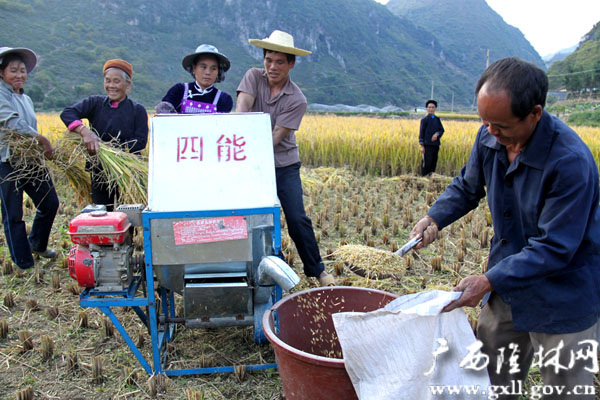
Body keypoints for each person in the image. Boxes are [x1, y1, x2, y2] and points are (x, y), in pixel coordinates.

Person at [410, 57, 600, 399]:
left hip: (564, 293)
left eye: (501, 125)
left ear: (535, 114)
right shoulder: (488, 136)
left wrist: (486, 280)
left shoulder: (570, 162)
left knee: (566, 390)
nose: (491, 131)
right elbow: (467, 188)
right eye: (484, 121)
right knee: (490, 381)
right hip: (508, 288)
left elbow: (555, 247)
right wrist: (434, 218)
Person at [236, 30, 335, 286]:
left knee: (296, 217)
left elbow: (274, 139)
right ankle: (243, 268)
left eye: (280, 61)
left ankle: (318, 271)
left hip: (282, 164)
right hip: (247, 161)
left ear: (291, 64)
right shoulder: (252, 77)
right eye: (269, 60)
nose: (272, 66)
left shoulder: (297, 99)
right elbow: (241, 111)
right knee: (245, 216)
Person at [60, 59, 148, 210]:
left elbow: (140, 142)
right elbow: (67, 113)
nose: (111, 86)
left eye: (116, 81)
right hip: (99, 171)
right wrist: (84, 131)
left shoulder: (137, 110)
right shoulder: (95, 103)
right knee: (103, 215)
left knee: (127, 217)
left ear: (127, 84)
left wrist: (109, 149)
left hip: (127, 173)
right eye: (107, 81)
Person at [0, 47, 59, 269]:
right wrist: (43, 140)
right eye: (13, 70)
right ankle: (22, 261)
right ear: (1, 73)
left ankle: (37, 243)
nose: (19, 75)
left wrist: (39, 147)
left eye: (22, 71)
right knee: (13, 214)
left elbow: (28, 125)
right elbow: (15, 125)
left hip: (31, 162)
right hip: (8, 162)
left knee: (50, 203)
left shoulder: (25, 98)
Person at [156, 44, 233, 114]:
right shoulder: (179, 90)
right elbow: (164, 114)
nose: (208, 72)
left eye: (213, 68)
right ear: (194, 68)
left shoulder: (224, 99)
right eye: (203, 67)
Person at [419, 99, 444, 176]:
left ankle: (432, 177)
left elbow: (441, 130)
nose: (431, 109)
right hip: (427, 145)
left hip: (435, 145)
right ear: (427, 108)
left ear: (435, 108)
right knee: (427, 163)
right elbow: (421, 133)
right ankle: (424, 178)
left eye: (433, 107)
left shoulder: (437, 119)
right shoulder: (424, 120)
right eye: (429, 107)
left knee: (433, 162)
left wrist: (437, 134)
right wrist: (422, 146)